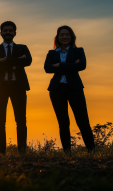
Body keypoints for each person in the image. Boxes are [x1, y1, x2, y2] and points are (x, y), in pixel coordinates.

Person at [44, 25, 95, 153]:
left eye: (67, 34)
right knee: (63, 122)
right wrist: (72, 65)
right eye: (62, 34)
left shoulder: (78, 51)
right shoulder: (51, 53)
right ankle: (67, 153)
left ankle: (92, 150)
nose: (65, 37)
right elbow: (47, 68)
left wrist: (60, 65)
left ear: (71, 37)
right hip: (56, 89)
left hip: (75, 88)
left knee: (82, 120)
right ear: (58, 37)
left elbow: (82, 65)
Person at [0, 21, 32, 154]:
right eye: (5, 30)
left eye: (10, 30)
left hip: (18, 87)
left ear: (15, 33)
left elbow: (28, 61)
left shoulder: (23, 47)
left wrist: (4, 60)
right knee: (0, 121)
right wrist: (17, 61)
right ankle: (2, 153)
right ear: (1, 33)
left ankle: (22, 151)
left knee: (21, 120)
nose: (8, 33)